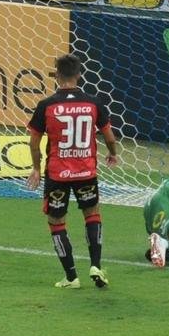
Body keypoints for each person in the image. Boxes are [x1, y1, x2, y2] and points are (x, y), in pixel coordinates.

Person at [26, 53, 120, 289]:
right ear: (79, 75)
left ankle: (71, 277)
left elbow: (34, 143)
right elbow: (109, 136)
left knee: (56, 221)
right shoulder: (94, 103)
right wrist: (113, 153)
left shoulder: (46, 105)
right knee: (92, 214)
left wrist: (36, 169)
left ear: (57, 76)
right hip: (85, 172)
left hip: (57, 174)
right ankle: (96, 265)